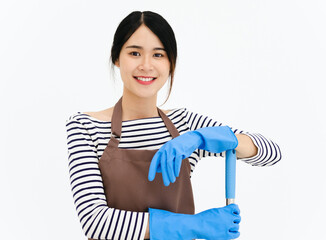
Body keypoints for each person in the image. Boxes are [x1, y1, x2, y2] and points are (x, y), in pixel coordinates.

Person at [65, 11, 282, 240]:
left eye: (158, 55)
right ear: (117, 58)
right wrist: (194, 225)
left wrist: (207, 137)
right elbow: (95, 222)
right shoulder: (85, 126)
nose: (146, 65)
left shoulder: (184, 124)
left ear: (171, 64)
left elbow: (272, 153)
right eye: (135, 53)